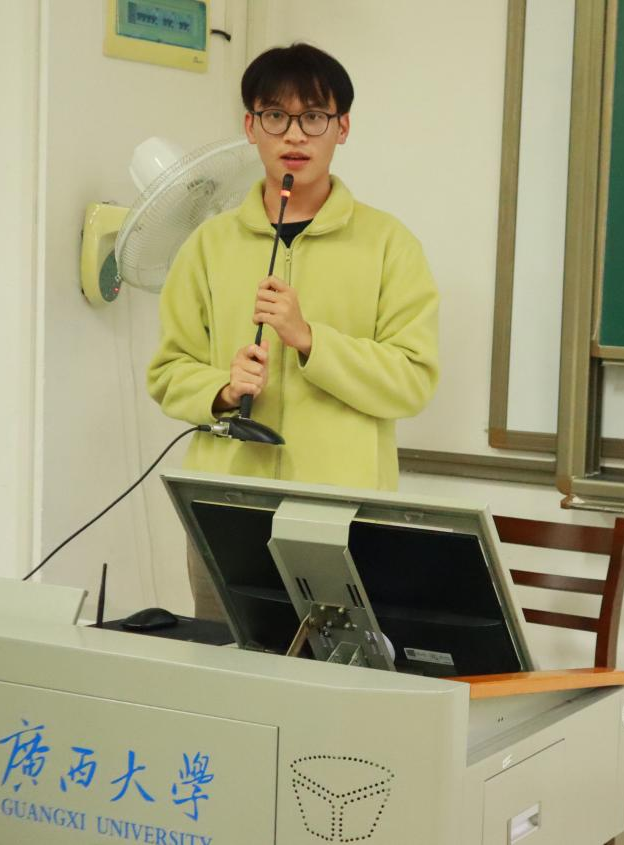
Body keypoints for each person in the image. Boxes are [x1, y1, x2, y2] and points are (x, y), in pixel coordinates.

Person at [147, 42, 440, 618]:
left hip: (339, 513)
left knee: (334, 665)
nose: (295, 135)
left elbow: (413, 380)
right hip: (226, 508)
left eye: (314, 117)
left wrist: (311, 341)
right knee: (221, 663)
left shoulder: (389, 244)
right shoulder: (208, 245)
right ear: (250, 127)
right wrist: (221, 389)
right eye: (276, 116)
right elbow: (167, 371)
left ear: (343, 127)